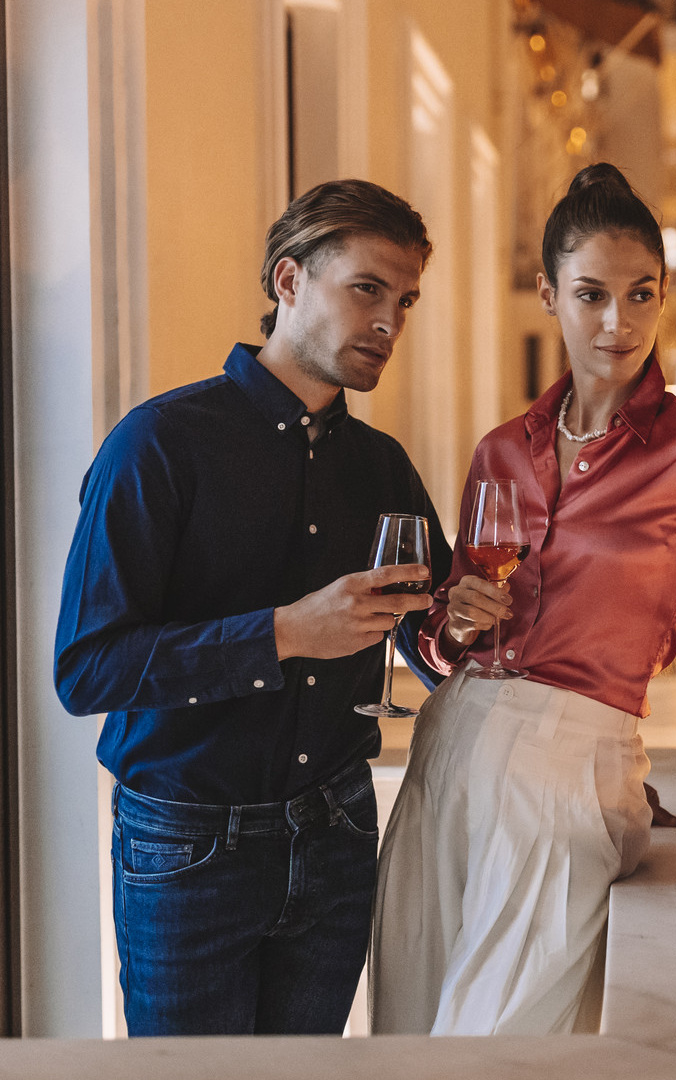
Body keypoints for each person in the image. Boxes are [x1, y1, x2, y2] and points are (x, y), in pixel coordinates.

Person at [370, 163, 676, 1035]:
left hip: (572, 778)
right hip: (448, 756)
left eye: (642, 295)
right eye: (592, 294)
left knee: (494, 1046)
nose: (618, 321)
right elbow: (451, 641)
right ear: (548, 295)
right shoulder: (500, 452)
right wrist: (452, 628)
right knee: (410, 1040)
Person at [54, 180, 447, 1035]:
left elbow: (432, 639)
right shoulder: (158, 445)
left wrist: (467, 623)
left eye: (405, 300)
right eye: (367, 289)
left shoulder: (382, 467)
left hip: (339, 833)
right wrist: (284, 634)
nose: (390, 321)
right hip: (189, 849)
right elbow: (87, 670)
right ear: (288, 282)